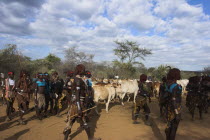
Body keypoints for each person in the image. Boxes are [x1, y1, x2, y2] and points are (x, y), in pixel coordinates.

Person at [63, 64, 101, 140]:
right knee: (82, 120)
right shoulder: (78, 80)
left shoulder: (78, 79)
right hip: (78, 103)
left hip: (77, 103)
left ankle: (66, 138)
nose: (84, 71)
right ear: (80, 70)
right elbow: (77, 95)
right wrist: (79, 108)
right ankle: (90, 138)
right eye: (83, 69)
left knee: (72, 120)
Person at [165, 68, 182, 140]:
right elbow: (174, 100)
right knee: (174, 128)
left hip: (168, 108)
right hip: (175, 108)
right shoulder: (176, 86)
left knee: (169, 126)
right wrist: (177, 113)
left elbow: (167, 97)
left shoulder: (168, 84)